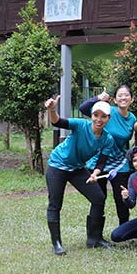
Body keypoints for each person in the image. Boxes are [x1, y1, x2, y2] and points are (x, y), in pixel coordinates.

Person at [43, 97, 119, 254]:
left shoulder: (107, 139)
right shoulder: (80, 125)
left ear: (108, 118)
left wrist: (95, 175)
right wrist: (51, 110)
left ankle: (94, 239)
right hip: (57, 165)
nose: (99, 119)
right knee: (55, 203)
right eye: (96, 115)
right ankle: (56, 243)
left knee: (98, 198)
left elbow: (101, 163)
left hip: (77, 168)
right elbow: (58, 122)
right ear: (91, 115)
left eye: (103, 116)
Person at [79, 85, 137, 225]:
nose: (123, 98)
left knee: (121, 198)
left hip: (119, 164)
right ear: (114, 100)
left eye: (126, 95)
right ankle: (95, 235)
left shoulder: (132, 118)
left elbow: (130, 141)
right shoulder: (107, 112)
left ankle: (124, 231)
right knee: (98, 198)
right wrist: (98, 98)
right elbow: (83, 109)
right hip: (98, 161)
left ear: (132, 99)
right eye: (120, 95)